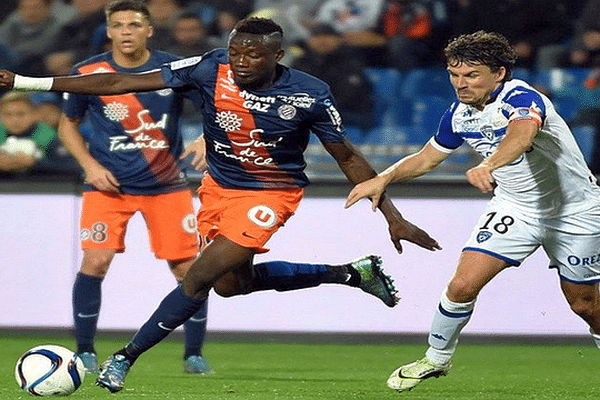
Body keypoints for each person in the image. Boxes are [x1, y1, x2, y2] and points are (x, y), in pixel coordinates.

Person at [0, 17, 441, 393]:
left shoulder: (310, 93)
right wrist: (25, 81)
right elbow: (118, 81)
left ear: (278, 56)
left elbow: (346, 155)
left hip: (271, 194)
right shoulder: (211, 66)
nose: (241, 62)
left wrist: (392, 216)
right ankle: (350, 273)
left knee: (198, 276)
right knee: (231, 285)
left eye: (253, 56)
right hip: (218, 188)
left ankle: (124, 358)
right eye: (236, 53)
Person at [345, 30, 600, 393]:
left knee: (586, 307)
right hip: (516, 208)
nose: (460, 84)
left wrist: (490, 165)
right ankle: (436, 358)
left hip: (577, 212)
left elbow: (522, 135)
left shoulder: (523, 97)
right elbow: (427, 157)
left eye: (471, 75)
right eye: (454, 75)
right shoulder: (459, 114)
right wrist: (383, 178)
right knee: (462, 284)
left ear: (499, 73)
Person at [57, 0, 212, 375]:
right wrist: (90, 166)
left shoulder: (173, 69)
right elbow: (67, 125)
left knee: (189, 271)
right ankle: (85, 351)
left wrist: (207, 137)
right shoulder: (87, 73)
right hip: (107, 187)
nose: (126, 31)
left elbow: (216, 104)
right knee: (95, 261)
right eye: (119, 25)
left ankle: (193, 354)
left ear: (149, 30)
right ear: (109, 31)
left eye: (134, 24)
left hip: (167, 185)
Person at [0, 91, 57, 175]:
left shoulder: (52, 138)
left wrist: (35, 163)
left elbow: (70, 167)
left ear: (35, 114)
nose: (14, 120)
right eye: (8, 114)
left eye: (20, 114)